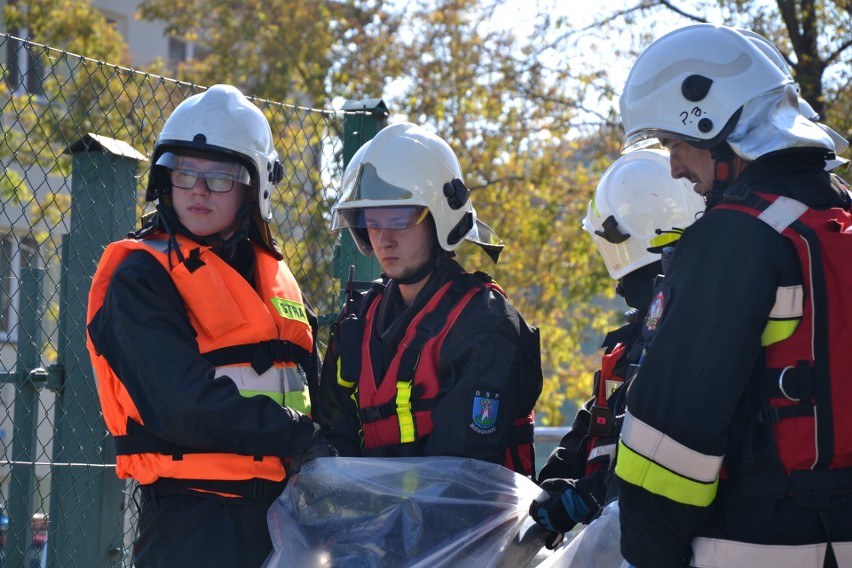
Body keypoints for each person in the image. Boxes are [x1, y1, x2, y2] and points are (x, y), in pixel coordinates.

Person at [612, 25, 852, 567]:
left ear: (721, 129)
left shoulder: (733, 237)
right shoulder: (837, 218)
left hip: (753, 546)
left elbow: (669, 435)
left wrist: (649, 555)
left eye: (676, 143)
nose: (673, 167)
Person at [86, 84, 336, 568]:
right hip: (194, 524)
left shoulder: (273, 276)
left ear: (253, 187)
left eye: (220, 176)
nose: (198, 190)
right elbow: (181, 403)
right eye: (184, 173)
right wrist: (299, 438)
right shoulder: (140, 276)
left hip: (288, 515)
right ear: (165, 181)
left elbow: (314, 389)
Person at [316, 122, 543, 477]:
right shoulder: (357, 320)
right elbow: (333, 434)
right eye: (372, 220)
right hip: (368, 521)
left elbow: (462, 473)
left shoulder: (484, 324)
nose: (383, 239)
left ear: (441, 217)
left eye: (399, 218)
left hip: (465, 527)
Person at [529, 149, 704, 545]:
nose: (619, 287)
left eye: (625, 266)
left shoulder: (692, 336)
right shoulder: (633, 347)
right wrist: (560, 477)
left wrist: (590, 493)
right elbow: (600, 417)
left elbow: (665, 442)